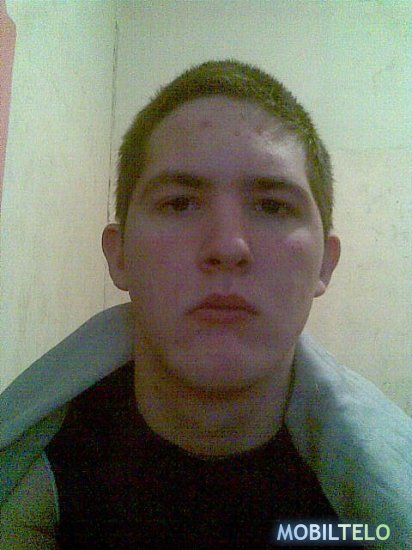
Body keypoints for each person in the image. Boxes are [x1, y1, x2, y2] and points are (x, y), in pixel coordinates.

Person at [0, 60, 410, 549]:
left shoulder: (380, 519)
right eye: (179, 203)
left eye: (273, 206)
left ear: (325, 263)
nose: (228, 247)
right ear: (119, 255)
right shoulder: (28, 487)